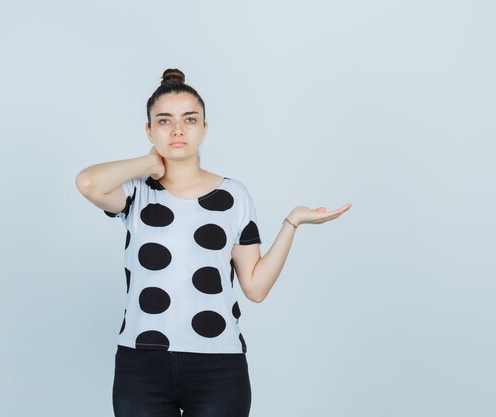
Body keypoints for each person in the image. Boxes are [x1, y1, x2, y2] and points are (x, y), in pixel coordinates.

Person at [75, 68, 352, 417]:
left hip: (218, 365)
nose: (177, 130)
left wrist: (291, 223)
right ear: (149, 130)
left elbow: (256, 287)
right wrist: (149, 162)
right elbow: (88, 184)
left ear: (205, 128)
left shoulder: (233, 196)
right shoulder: (135, 192)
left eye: (189, 119)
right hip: (141, 364)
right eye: (164, 121)